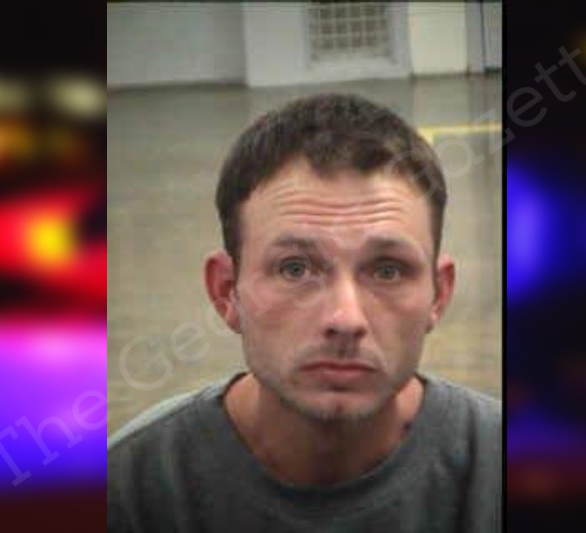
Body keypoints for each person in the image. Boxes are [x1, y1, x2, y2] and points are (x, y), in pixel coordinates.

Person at [108, 93, 501, 532]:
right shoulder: (128, 493)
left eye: (387, 270)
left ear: (438, 294)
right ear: (226, 292)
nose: (346, 319)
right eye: (294, 269)